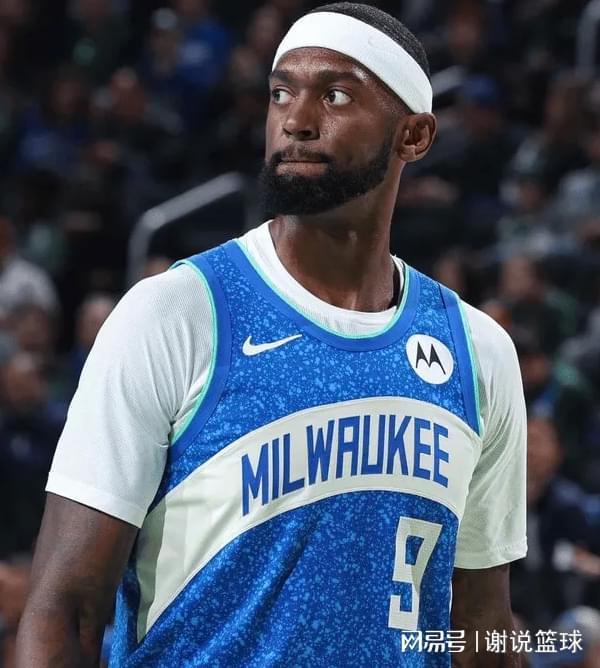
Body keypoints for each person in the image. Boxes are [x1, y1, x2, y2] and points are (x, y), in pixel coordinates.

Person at [16, 3, 527, 666]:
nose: (296, 119)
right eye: (282, 93)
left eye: (336, 95)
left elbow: (483, 625)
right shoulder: (175, 314)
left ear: (414, 135)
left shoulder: (477, 352)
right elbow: (66, 609)